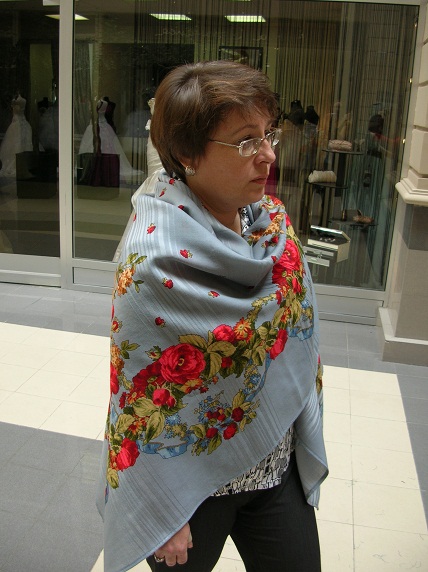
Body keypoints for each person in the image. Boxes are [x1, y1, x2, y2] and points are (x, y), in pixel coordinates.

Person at [97, 60, 328, 572]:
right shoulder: (152, 263)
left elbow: (297, 336)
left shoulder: (270, 225)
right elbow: (135, 394)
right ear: (187, 155)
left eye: (268, 134)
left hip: (274, 463)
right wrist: (162, 511)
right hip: (192, 493)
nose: (268, 154)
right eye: (246, 142)